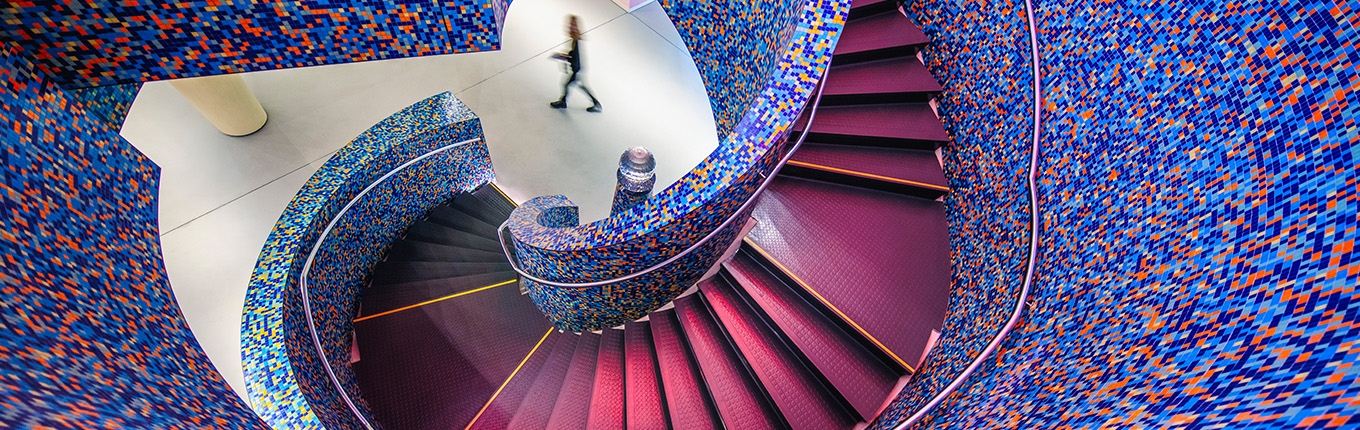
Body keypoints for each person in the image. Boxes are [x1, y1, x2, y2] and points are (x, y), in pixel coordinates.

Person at [549, 15, 602, 112]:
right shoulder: (574, 38)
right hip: (577, 69)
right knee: (580, 86)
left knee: (566, 84)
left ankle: (563, 102)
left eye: (572, 25)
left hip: (576, 69)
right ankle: (596, 104)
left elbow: (574, 58)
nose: (569, 27)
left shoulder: (576, 40)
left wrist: (562, 56)